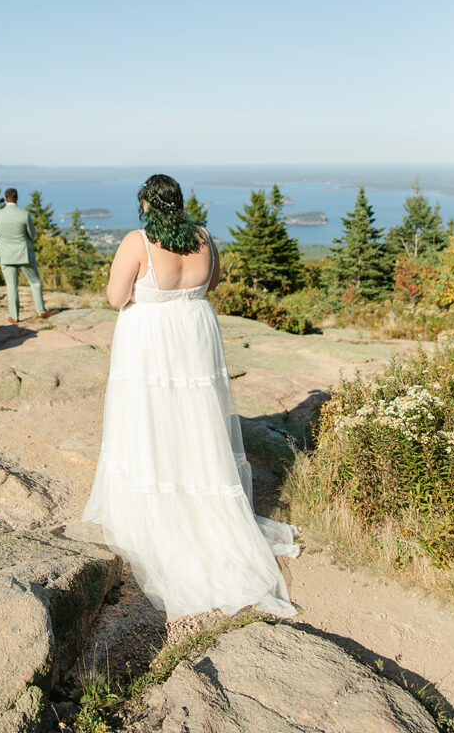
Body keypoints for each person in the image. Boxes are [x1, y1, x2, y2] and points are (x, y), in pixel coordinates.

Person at [82, 174, 299, 622]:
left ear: (146, 204)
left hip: (151, 338)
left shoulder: (136, 241)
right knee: (196, 415)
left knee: (153, 415)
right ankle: (201, 496)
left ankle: (160, 502)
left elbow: (115, 297)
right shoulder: (203, 237)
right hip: (194, 333)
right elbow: (211, 282)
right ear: (178, 203)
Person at [0, 188, 55, 324]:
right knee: (35, 282)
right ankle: (41, 310)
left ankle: (14, 317)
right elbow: (32, 235)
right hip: (24, 253)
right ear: (17, 199)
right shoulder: (24, 215)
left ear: (4, 199)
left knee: (11, 286)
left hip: (6, 255)